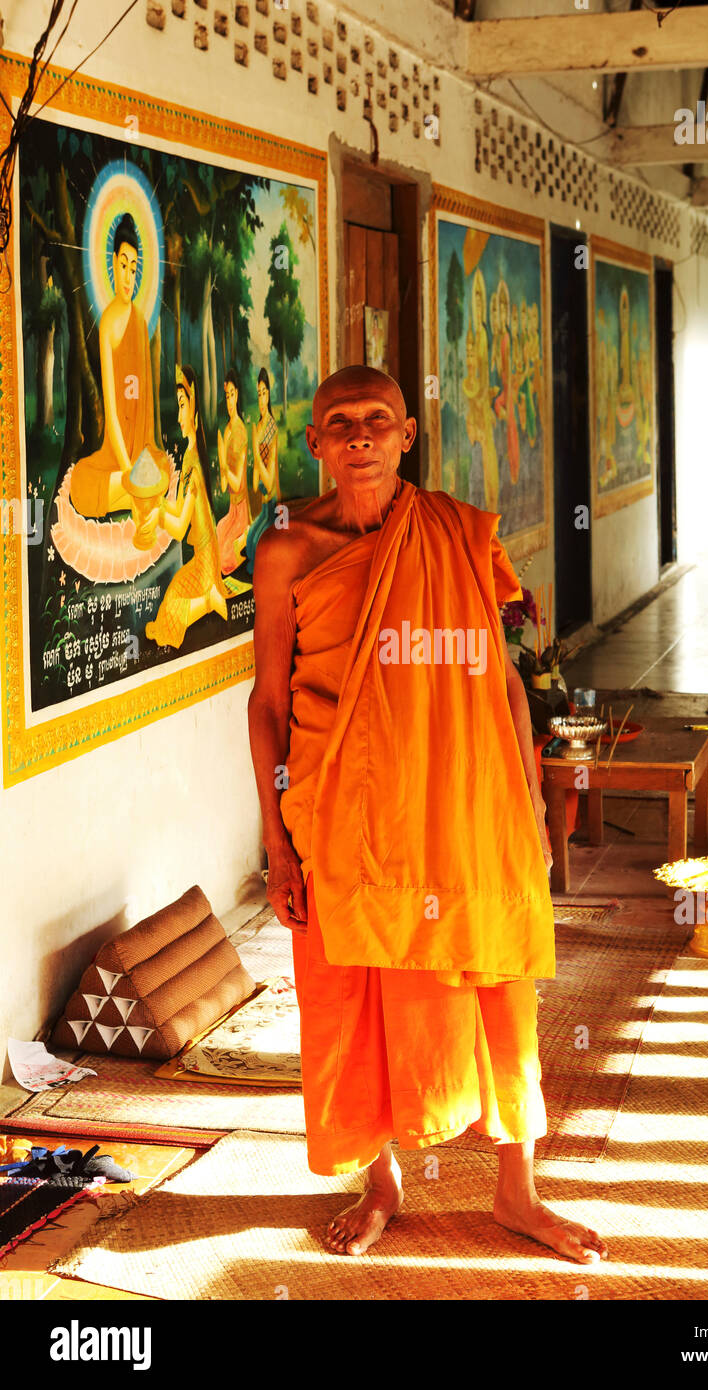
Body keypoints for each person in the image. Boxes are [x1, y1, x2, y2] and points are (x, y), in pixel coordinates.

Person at [247, 364, 609, 1265]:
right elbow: (265, 700)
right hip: (341, 807)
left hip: (464, 801)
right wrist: (275, 841)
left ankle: (518, 1193)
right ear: (316, 444)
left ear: (409, 434)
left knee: (496, 981)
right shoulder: (288, 549)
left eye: (378, 419)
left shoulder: (451, 530)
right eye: (340, 423)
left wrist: (528, 798)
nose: (360, 435)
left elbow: (499, 675)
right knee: (349, 995)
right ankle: (380, 1182)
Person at [70, 212, 168, 518]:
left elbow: (146, 402)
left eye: (134, 268)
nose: (128, 277)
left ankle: (134, 492)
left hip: (141, 448)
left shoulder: (139, 320)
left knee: (160, 464)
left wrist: (142, 459)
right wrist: (129, 472)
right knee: (79, 483)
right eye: (123, 265)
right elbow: (111, 410)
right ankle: (135, 493)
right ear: (113, 263)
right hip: (116, 453)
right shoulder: (108, 322)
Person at [145, 364, 228, 648]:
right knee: (168, 604)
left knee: (170, 612)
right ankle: (207, 596)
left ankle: (208, 599)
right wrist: (158, 504)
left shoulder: (193, 463)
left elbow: (180, 528)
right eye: (178, 406)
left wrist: (158, 516)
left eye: (182, 405)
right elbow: (180, 508)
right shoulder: (191, 457)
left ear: (194, 411)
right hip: (204, 556)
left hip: (205, 562)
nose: (179, 416)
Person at [243, 368, 280, 573]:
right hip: (263, 505)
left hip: (273, 507)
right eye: (259, 393)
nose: (261, 398)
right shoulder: (258, 425)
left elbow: (269, 483)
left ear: (270, 394)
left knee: (256, 549)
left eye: (264, 392)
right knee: (250, 544)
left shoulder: (271, 429)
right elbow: (257, 481)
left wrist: (256, 449)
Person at [216, 368, 251, 575]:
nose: (229, 400)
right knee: (218, 531)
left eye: (232, 394)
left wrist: (222, 462)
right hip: (231, 509)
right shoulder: (227, 429)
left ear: (237, 394)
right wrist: (222, 465)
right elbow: (223, 485)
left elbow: (237, 483)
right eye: (226, 395)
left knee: (226, 550)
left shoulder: (239, 431)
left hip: (241, 511)